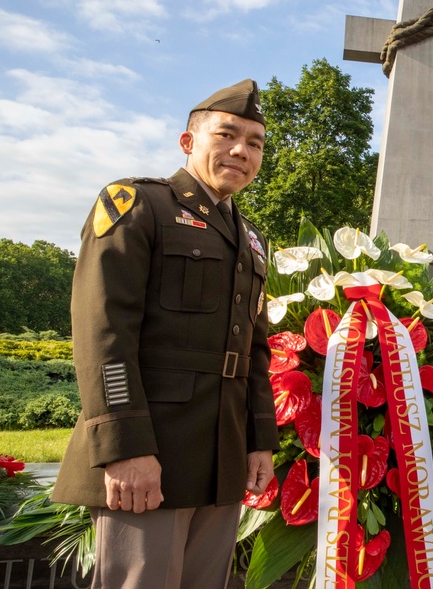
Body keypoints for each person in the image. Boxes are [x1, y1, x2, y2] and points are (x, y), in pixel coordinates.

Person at [53, 79, 280, 589]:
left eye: (255, 143)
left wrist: (258, 440)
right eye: (227, 136)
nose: (241, 151)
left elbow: (254, 352)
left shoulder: (251, 239)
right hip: (150, 450)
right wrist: (124, 445)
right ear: (188, 142)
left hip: (221, 456)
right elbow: (104, 333)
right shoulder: (138, 204)